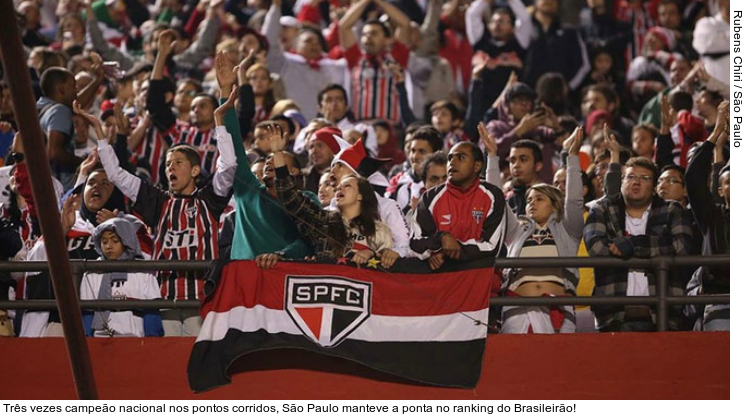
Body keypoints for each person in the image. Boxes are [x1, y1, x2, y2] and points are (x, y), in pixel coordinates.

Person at [94, 70, 238, 336]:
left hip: (202, 300)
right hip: (165, 300)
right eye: (168, 164)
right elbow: (115, 175)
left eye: (178, 163)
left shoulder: (210, 199)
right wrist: (100, 136)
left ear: (195, 171)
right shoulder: (157, 201)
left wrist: (220, 120)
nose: (170, 168)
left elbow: (229, 165)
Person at [487, 126, 586, 334]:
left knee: (559, 366)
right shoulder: (516, 230)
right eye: (529, 200)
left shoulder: (567, 230)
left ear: (555, 204)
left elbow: (575, 200)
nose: (532, 203)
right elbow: (496, 199)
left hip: (558, 311)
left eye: (539, 199)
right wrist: (492, 158)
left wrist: (573, 157)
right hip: (516, 312)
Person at [585, 157, 695, 332]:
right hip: (612, 315)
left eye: (645, 178)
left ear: (654, 187)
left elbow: (682, 246)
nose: (636, 182)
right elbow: (596, 248)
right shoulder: (602, 209)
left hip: (664, 314)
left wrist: (632, 244)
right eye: (630, 177)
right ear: (621, 182)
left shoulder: (672, 209)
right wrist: (655, 249)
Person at [271, 126, 397, 269]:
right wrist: (277, 154)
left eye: (347, 185)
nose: (339, 188)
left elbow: (392, 272)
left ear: (361, 195)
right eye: (338, 187)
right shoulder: (324, 222)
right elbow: (291, 199)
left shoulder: (379, 230)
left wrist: (372, 254)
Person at [410, 141, 508, 271]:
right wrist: (440, 240)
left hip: (480, 277)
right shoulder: (430, 197)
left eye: (460, 157)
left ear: (477, 165)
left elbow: (492, 246)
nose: (453, 162)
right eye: (450, 158)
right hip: (440, 276)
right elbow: (415, 242)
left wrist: (454, 251)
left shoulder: (493, 196)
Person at [685, 101, 730, 332]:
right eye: (729, 181)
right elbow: (693, 178)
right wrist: (716, 133)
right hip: (721, 303)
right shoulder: (712, 216)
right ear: (720, 190)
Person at [81, 218, 163, 338]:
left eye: (115, 241)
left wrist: (151, 340)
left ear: (126, 241)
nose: (109, 246)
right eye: (104, 242)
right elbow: (87, 312)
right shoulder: (91, 273)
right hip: (99, 338)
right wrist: (88, 338)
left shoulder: (143, 271)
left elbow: (151, 311)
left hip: (134, 337)